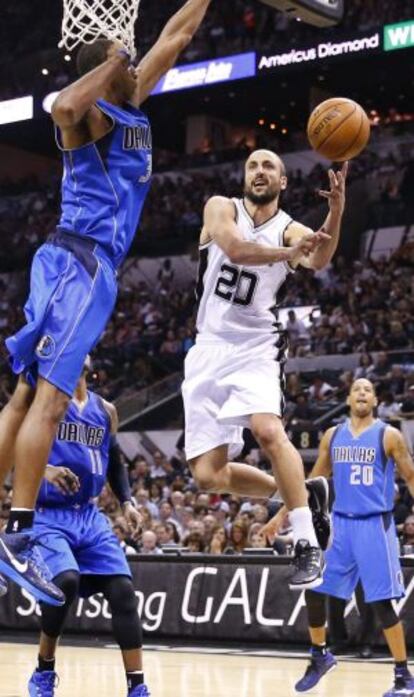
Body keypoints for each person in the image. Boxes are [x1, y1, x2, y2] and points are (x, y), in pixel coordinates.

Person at [0, 0, 213, 603]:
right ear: (111, 70)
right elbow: (62, 104)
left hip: (74, 264)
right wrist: (115, 57)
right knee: (49, 397)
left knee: (23, 392)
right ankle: (18, 531)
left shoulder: (131, 101)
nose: (140, 64)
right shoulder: (87, 116)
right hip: (81, 264)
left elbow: (180, 31)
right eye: (128, 61)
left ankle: (3, 522)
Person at [182, 148, 348, 588]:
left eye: (269, 166)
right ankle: (300, 492)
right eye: (253, 165)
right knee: (207, 475)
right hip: (207, 347)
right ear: (244, 176)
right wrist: (288, 251)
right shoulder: (220, 207)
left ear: (283, 181)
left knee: (269, 430)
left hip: (256, 343)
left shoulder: (289, 226)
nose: (259, 171)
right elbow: (235, 249)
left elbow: (317, 258)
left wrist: (335, 212)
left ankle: (306, 543)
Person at [264, 379, 414, 697]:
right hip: (339, 527)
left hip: (375, 525)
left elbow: (411, 476)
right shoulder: (333, 436)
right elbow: (310, 481)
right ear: (347, 398)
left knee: (383, 603)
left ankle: (403, 676)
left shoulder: (389, 435)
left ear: (375, 400)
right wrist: (281, 515)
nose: (362, 392)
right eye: (357, 389)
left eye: (368, 390)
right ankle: (320, 655)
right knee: (314, 589)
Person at [27, 359, 146, 697]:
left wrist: (127, 502)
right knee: (65, 581)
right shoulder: (44, 403)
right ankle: (44, 670)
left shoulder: (105, 410)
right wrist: (45, 469)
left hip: (90, 515)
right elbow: (15, 450)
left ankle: (137, 686)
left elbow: (116, 461)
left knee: (123, 592)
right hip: (49, 513)